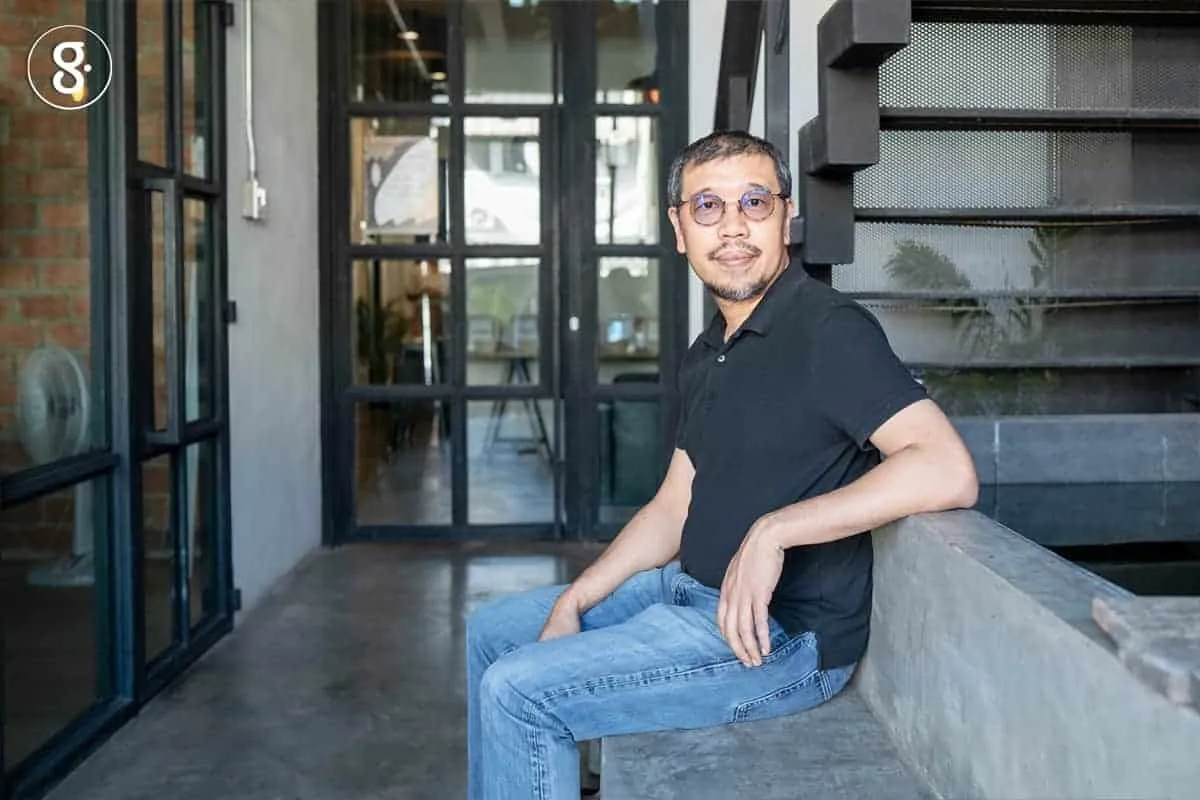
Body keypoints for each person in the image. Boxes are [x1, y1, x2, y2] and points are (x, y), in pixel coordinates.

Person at [465, 130, 979, 800]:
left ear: (785, 218)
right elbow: (673, 505)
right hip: (685, 591)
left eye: (754, 202)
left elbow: (946, 467)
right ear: (680, 229)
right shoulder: (710, 349)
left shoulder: (828, 330)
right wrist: (576, 599)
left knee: (518, 692)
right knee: (492, 634)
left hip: (778, 639)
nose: (732, 226)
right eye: (708, 206)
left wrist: (774, 532)